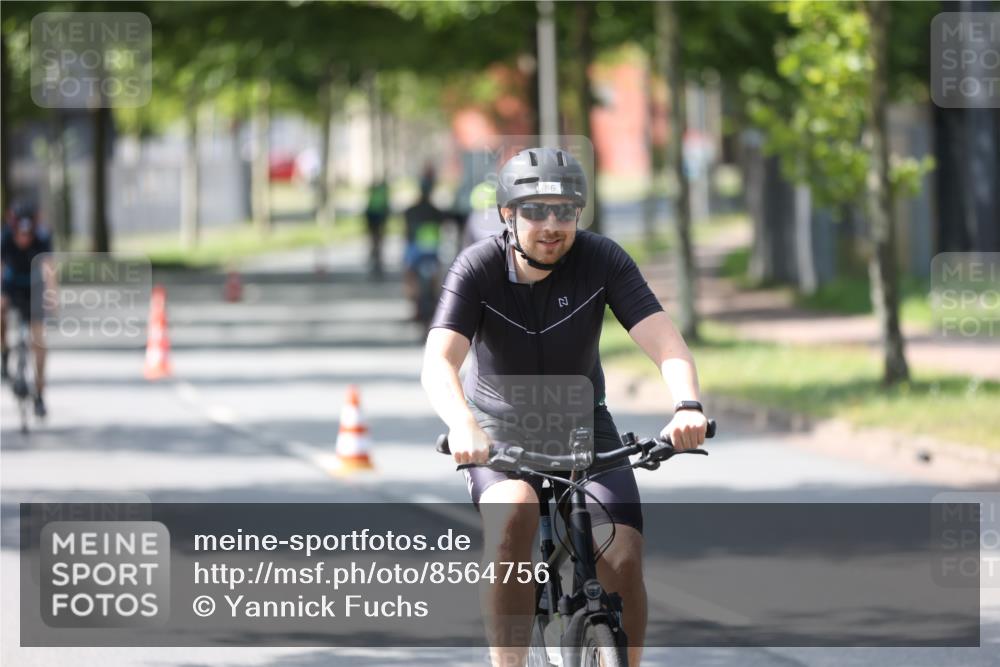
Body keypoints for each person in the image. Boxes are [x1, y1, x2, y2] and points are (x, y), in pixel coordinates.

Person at [421, 147, 709, 667]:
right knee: (514, 512)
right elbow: (439, 362)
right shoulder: (479, 266)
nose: (552, 225)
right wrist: (463, 423)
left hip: (584, 424)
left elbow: (666, 343)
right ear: (508, 214)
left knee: (622, 555)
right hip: (497, 430)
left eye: (566, 211)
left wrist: (686, 405)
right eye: (535, 210)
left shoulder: (602, 259)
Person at [1, 201, 56, 417]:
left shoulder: (42, 238)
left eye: (28, 234)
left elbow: (49, 270)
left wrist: (52, 297)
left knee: (39, 341)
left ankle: (40, 394)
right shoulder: (4, 238)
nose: (24, 239)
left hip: (34, 287)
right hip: (11, 284)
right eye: (19, 234)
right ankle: (4, 352)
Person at [402, 172, 446, 321]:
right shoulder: (436, 211)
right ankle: (434, 300)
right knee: (436, 275)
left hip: (414, 248)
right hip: (432, 249)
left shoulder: (410, 211)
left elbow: (406, 231)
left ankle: (414, 305)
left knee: (410, 274)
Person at [364, 179, 391, 279]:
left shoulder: (375, 192)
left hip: (372, 218)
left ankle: (374, 253)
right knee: (379, 240)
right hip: (377, 218)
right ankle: (376, 254)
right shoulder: (383, 192)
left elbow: (368, 207)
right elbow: (386, 208)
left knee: (374, 240)